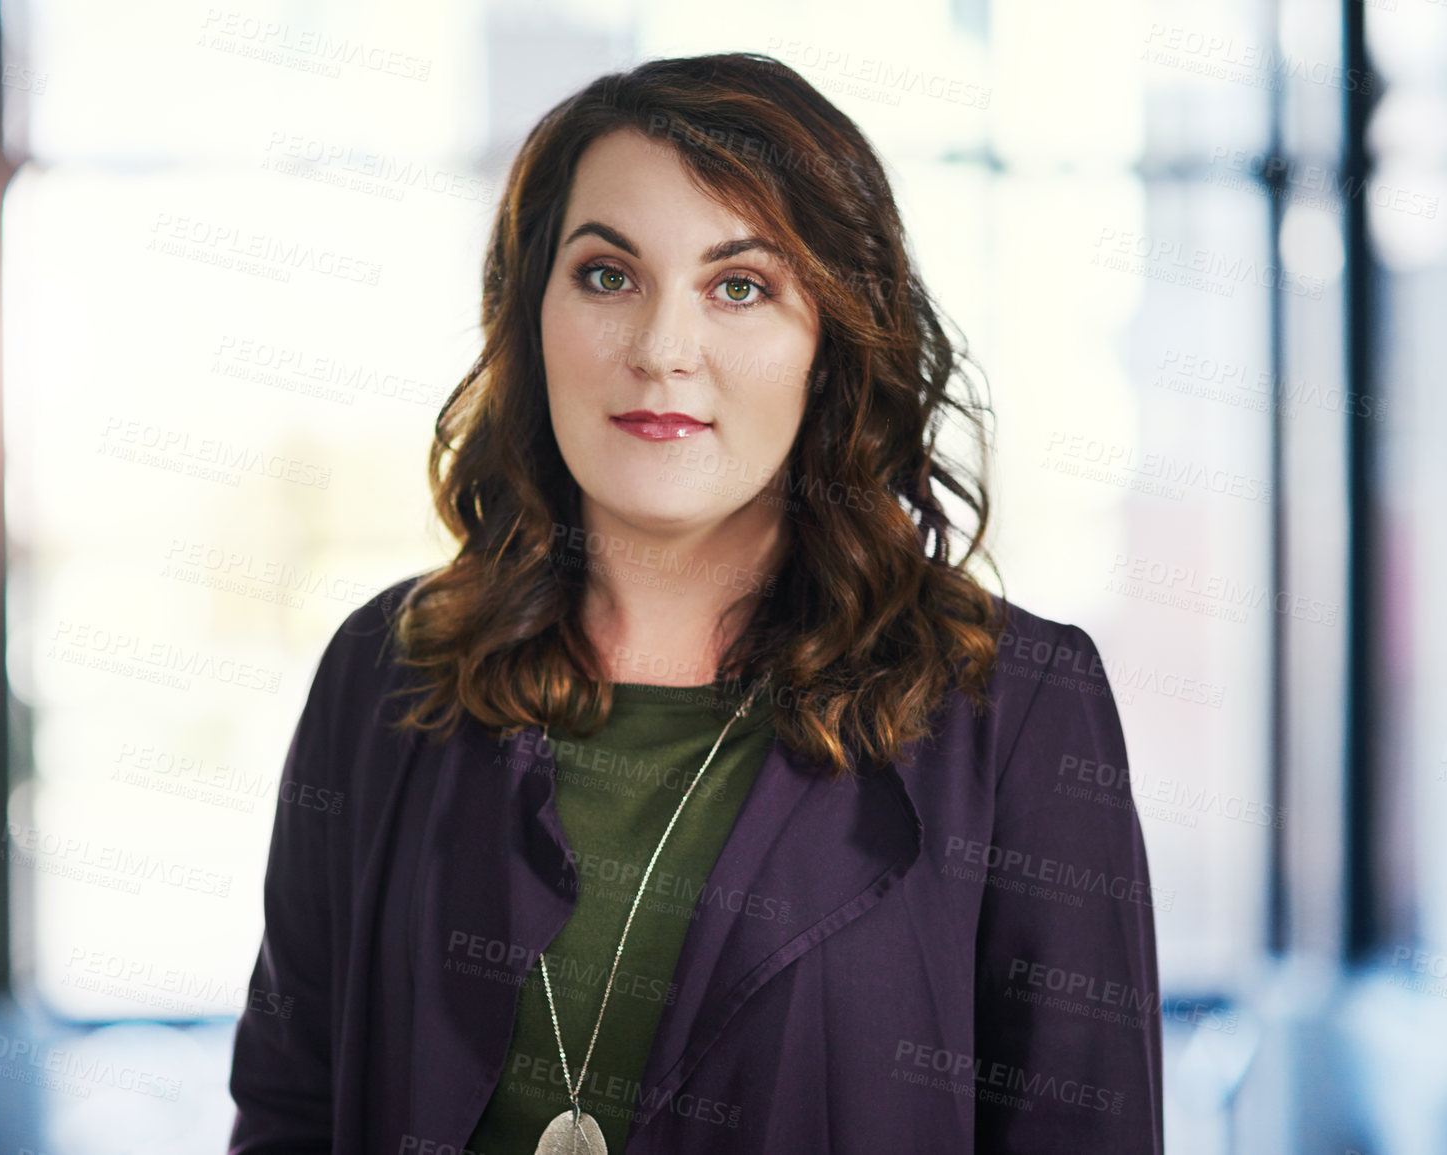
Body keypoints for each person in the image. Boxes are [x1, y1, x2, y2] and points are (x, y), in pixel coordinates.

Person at [228, 52, 1162, 1155]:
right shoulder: (391, 668)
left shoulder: (1016, 712)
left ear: (832, 341)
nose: (663, 352)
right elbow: (292, 1109)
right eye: (607, 276)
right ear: (530, 316)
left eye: (740, 286)